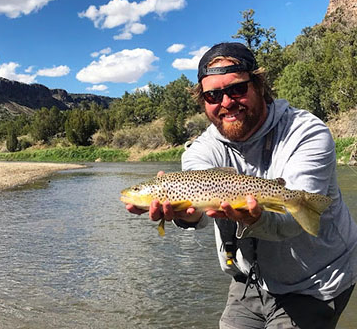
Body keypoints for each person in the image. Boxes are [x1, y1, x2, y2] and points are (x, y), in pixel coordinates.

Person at [125, 42, 357, 329]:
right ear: (203, 101)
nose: (226, 102)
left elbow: (289, 224)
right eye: (213, 95)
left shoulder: (307, 133)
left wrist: (257, 217)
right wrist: (187, 215)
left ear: (259, 85)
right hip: (249, 279)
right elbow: (196, 207)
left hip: (315, 282)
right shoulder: (199, 150)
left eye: (237, 89)